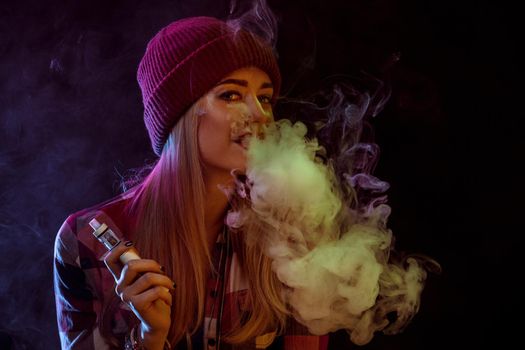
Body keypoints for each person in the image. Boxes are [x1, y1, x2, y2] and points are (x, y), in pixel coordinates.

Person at [53, 16, 331, 350]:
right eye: (230, 95)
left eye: (265, 98)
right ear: (178, 115)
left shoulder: (292, 233)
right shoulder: (88, 239)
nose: (260, 115)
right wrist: (147, 338)